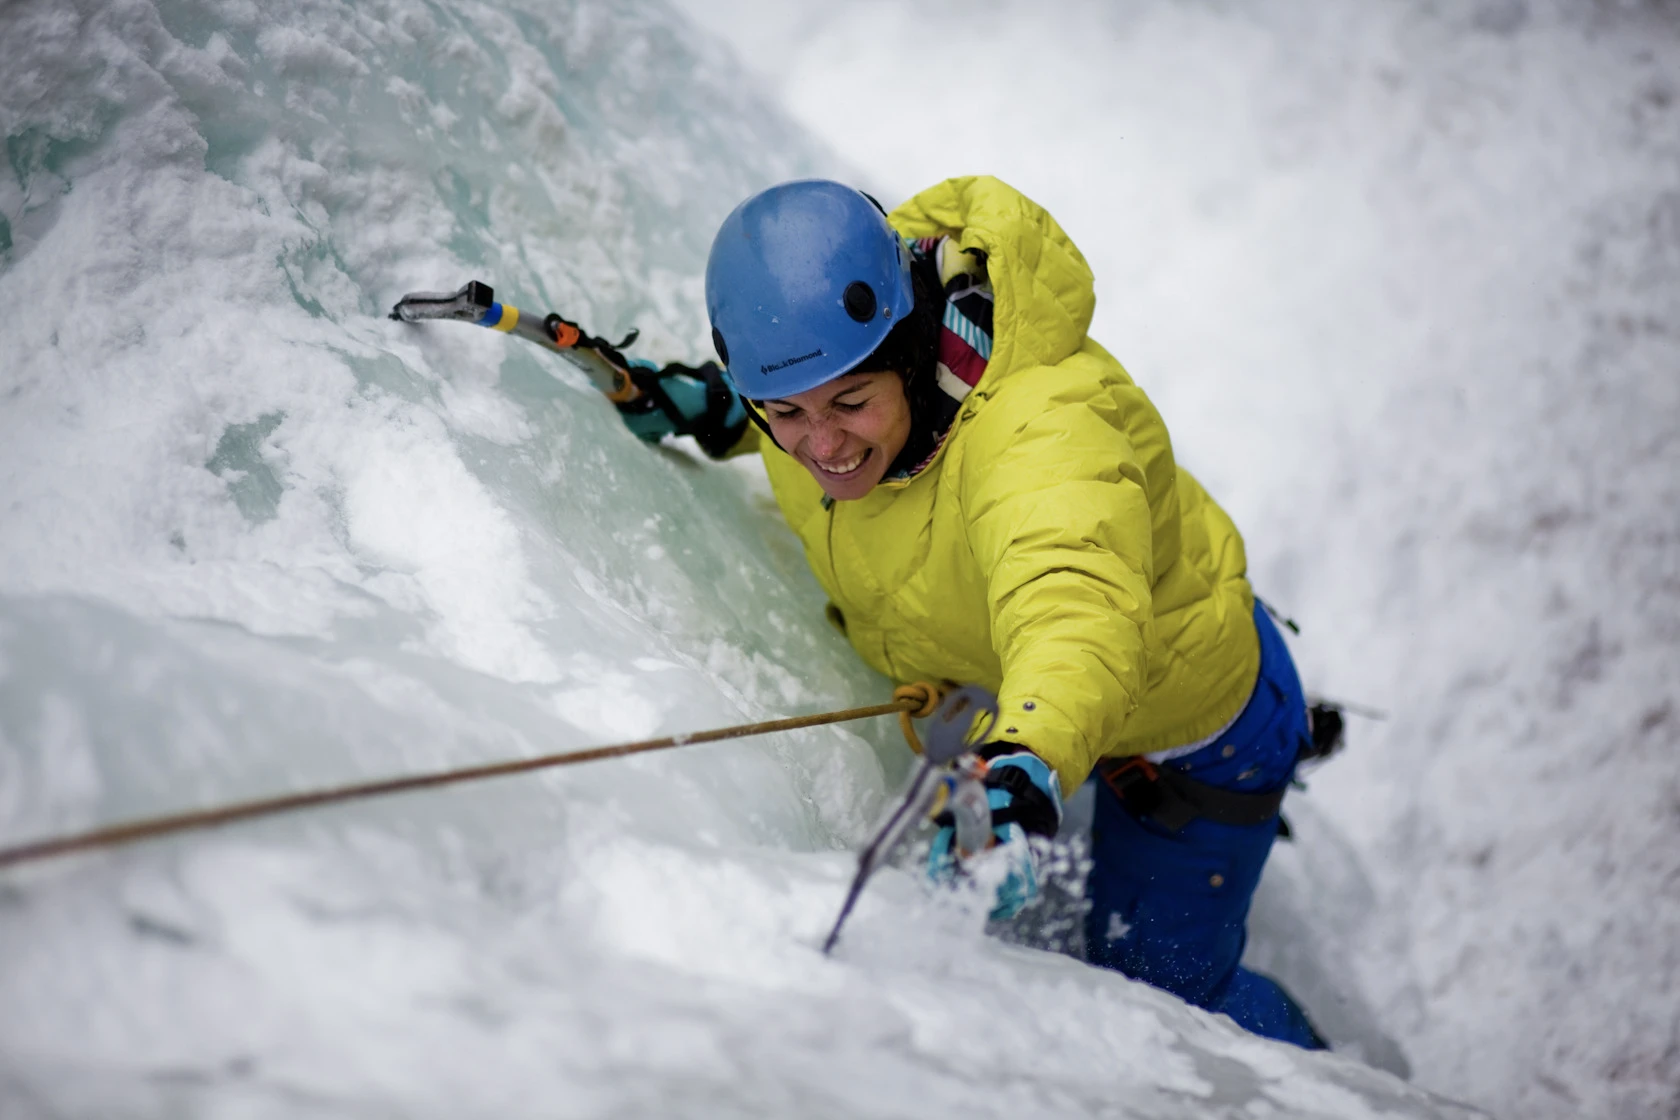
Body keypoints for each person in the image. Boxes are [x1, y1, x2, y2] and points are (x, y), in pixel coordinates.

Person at [614, 176, 1326, 1050]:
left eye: (850, 403)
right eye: (784, 413)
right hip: (1046, 696)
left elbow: (1074, 605)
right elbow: (801, 405)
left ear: (911, 349)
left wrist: (1024, 758)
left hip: (1197, 724)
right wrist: (712, 409)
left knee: (1173, 1001)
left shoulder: (1041, 433)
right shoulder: (827, 380)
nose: (822, 446)